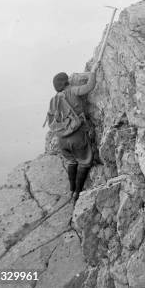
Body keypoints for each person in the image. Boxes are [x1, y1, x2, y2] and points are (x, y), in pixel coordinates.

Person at [48, 61, 100, 202]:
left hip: (62, 140)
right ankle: (77, 193)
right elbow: (89, 86)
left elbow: (51, 121)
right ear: (66, 82)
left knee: (71, 162)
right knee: (84, 162)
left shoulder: (53, 100)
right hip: (76, 136)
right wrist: (93, 72)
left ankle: (71, 190)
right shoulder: (72, 90)